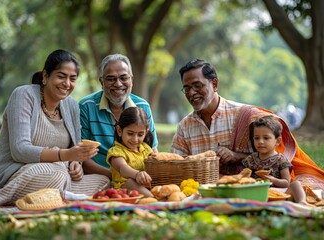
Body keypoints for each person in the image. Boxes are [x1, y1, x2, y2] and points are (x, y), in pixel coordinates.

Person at [0, 49, 110, 206]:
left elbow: (74, 151)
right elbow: (20, 150)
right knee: (57, 175)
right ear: (45, 76)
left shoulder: (71, 105)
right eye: (61, 76)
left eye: (73, 79)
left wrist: (76, 164)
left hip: (61, 174)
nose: (67, 83)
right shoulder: (23, 95)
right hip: (20, 174)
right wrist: (66, 156)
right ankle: (1, 199)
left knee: (102, 182)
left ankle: (56, 197)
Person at [171, 59, 324, 193]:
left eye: (197, 85)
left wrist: (235, 156)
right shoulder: (185, 126)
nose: (192, 93)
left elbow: (276, 158)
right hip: (203, 191)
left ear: (215, 84)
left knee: (300, 190)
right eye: (187, 88)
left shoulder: (245, 115)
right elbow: (174, 164)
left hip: (249, 189)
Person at [79, 53, 158, 179]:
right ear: (101, 81)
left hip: (140, 178)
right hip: (100, 177)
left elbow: (152, 151)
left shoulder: (143, 106)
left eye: (123, 78)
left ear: (131, 80)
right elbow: (82, 157)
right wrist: (118, 177)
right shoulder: (86, 106)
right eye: (111, 79)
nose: (118, 84)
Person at [241, 116, 306, 203]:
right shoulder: (251, 159)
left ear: (278, 141)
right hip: (258, 194)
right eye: (257, 138)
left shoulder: (281, 160)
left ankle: (302, 203)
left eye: (266, 138)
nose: (260, 141)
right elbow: (244, 177)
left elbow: (286, 182)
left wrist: (273, 180)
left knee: (296, 185)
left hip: (279, 194)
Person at [106, 107, 154, 197]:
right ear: (119, 131)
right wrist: (137, 174)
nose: (135, 139)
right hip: (125, 189)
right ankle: (153, 199)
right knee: (130, 182)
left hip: (147, 184)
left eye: (140, 134)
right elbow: (122, 168)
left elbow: (156, 162)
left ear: (146, 132)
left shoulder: (146, 148)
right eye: (130, 133)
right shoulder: (116, 152)